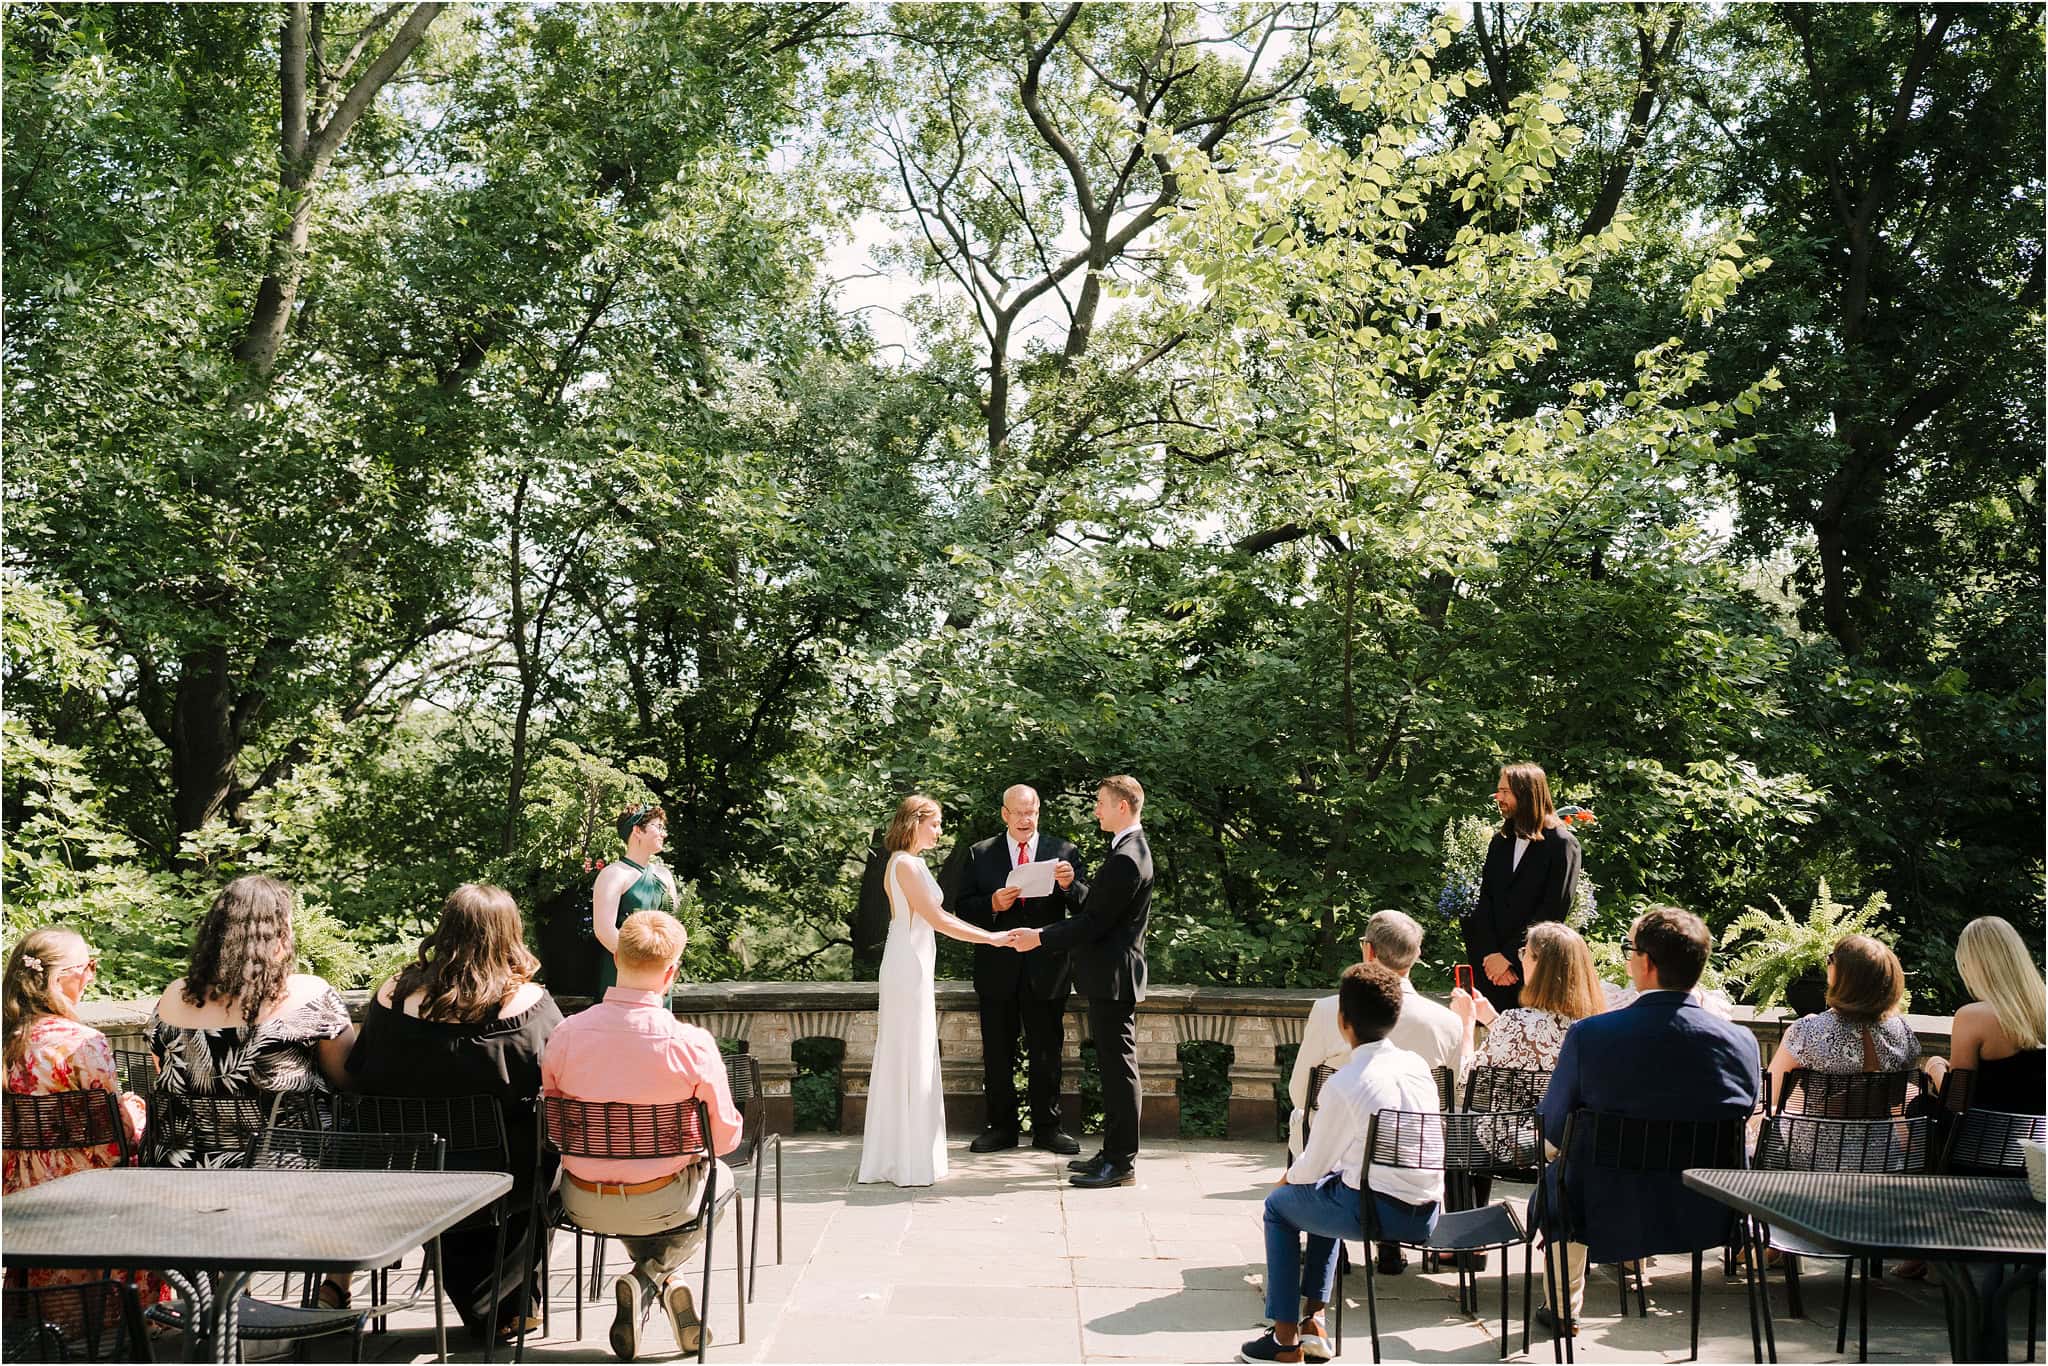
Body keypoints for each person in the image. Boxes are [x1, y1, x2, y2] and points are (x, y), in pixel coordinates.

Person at [345, 884, 564, 1345]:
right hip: (501, 1180)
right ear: (509, 935)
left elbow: (359, 1070)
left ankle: (498, 1301)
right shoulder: (528, 1004)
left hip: (409, 1172)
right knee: (544, 1154)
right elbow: (560, 1080)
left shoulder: (391, 996)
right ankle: (512, 1301)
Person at [1536, 906, 1759, 1334]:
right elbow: (1742, 1115)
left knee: (1564, 1174)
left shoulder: (1591, 1036)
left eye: (1629, 949)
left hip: (1604, 1202)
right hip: (1707, 1207)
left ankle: (1563, 1309)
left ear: (1648, 963)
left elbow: (1551, 1126)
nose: (1625, 959)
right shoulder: (1741, 1041)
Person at [540, 910, 740, 1362]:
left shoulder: (566, 1034)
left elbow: (555, 1123)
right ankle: (652, 1277)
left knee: (644, 1177)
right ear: (671, 973)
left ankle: (656, 1283)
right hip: (662, 1199)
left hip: (581, 1199)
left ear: (616, 957)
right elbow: (723, 1139)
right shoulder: (690, 1043)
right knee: (722, 1178)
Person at [148, 875, 357, 1305]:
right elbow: (348, 1077)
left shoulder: (171, 999)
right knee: (359, 1141)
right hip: (280, 1173)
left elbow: (165, 1077)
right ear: (277, 936)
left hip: (180, 1173)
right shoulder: (310, 994)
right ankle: (333, 1288)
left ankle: (226, 1293)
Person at [1237, 963, 1442, 1365]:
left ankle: (1283, 1341)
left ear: (1343, 1020)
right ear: (1395, 1017)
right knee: (1329, 1188)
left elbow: (1311, 1165)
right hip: (1426, 1212)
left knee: (1279, 1208)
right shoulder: (1417, 1068)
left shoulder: (1347, 1082)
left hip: (1376, 1213)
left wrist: (1282, 1182)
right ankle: (1315, 1323)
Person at [858, 795, 1024, 1187]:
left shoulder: (906, 863)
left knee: (911, 1051)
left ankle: (905, 1153)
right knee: (908, 1051)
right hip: (907, 964)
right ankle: (904, 1158)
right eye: (935, 823)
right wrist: (993, 938)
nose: (940, 831)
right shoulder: (905, 864)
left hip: (912, 958)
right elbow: (938, 919)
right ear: (915, 822)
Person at [3, 928, 165, 1321]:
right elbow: (117, 1136)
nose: (92, 976)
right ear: (61, 979)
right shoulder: (82, 1041)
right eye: (88, 967)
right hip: (84, 1184)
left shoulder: (7, 1037)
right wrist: (136, 1113)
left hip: (19, 1184)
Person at [1287, 910, 1461, 1274]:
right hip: (1412, 1151)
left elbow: (1301, 1089)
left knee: (1304, 1118)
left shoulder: (1329, 1010)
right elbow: (1452, 1098)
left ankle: (1330, 1246)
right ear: (1415, 955)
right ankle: (1390, 1245)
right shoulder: (1447, 1021)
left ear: (1368, 951)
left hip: (1340, 1145)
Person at [1010, 776, 1154, 1189]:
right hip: (1109, 975)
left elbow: (1095, 923)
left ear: (1122, 807)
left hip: (1114, 977)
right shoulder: (1128, 850)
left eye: (1101, 803)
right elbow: (1099, 906)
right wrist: (1072, 887)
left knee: (1119, 1070)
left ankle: (1121, 1162)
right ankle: (1111, 1154)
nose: (1096, 809)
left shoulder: (1128, 856)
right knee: (1111, 1068)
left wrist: (1039, 937)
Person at [950, 784, 1086, 1156]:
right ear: (1005, 814)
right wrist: (992, 904)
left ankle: (1048, 1128)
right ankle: (1001, 1128)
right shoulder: (981, 854)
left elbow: (1087, 909)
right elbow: (962, 908)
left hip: (1048, 969)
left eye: (1033, 812)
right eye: (1019, 812)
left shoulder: (1064, 852)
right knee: (997, 1053)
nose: (1026, 819)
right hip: (997, 969)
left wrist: (1070, 886)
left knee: (1047, 1053)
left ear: (1038, 812)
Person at [1461, 764, 1582, 1013]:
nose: (1499, 798)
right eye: (1499, 791)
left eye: (1505, 791)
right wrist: (1490, 956)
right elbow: (1486, 900)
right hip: (1490, 969)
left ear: (1526, 793)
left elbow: (1552, 912)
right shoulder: (1501, 842)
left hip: (1533, 969)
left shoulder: (1562, 845)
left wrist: (1507, 958)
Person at [1765, 934, 1918, 1110]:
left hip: (1818, 1136)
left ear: (1845, 978)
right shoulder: (1902, 1030)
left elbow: (1770, 1097)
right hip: (1880, 1136)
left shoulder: (1807, 1031)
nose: (1827, 962)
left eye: (1831, 958)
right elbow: (1899, 1098)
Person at [1923, 916, 2046, 1114]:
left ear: (1971, 966)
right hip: (2038, 1140)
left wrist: (1935, 1067)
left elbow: (1956, 1102)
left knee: (1916, 1104)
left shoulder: (1972, 1017)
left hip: (1985, 1141)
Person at [1449, 921, 1606, 1074]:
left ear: (1540, 965)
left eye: (1525, 952)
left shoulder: (1517, 1021)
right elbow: (1535, 1041)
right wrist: (1491, 1018)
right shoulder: (1597, 1025)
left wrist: (1466, 1025)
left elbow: (1465, 1083)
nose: (1522, 959)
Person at [592, 804, 680, 995]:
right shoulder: (613, 874)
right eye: (658, 827)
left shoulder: (665, 875)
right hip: (622, 973)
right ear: (637, 831)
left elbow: (675, 926)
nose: (663, 834)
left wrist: (664, 963)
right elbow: (604, 930)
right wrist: (638, 966)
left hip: (659, 976)